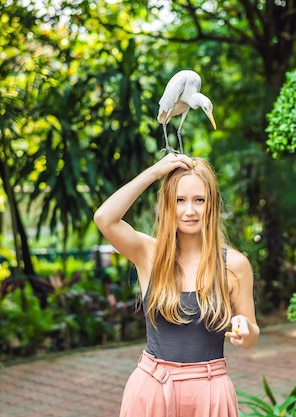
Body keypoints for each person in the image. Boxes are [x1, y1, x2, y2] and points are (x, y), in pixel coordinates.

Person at [94, 152, 259, 417]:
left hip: (210, 392)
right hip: (152, 388)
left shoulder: (235, 265)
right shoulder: (149, 253)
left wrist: (245, 330)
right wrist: (155, 173)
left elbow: (251, 335)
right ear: (168, 204)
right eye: (179, 200)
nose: (190, 210)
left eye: (199, 200)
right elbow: (105, 218)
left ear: (212, 204)